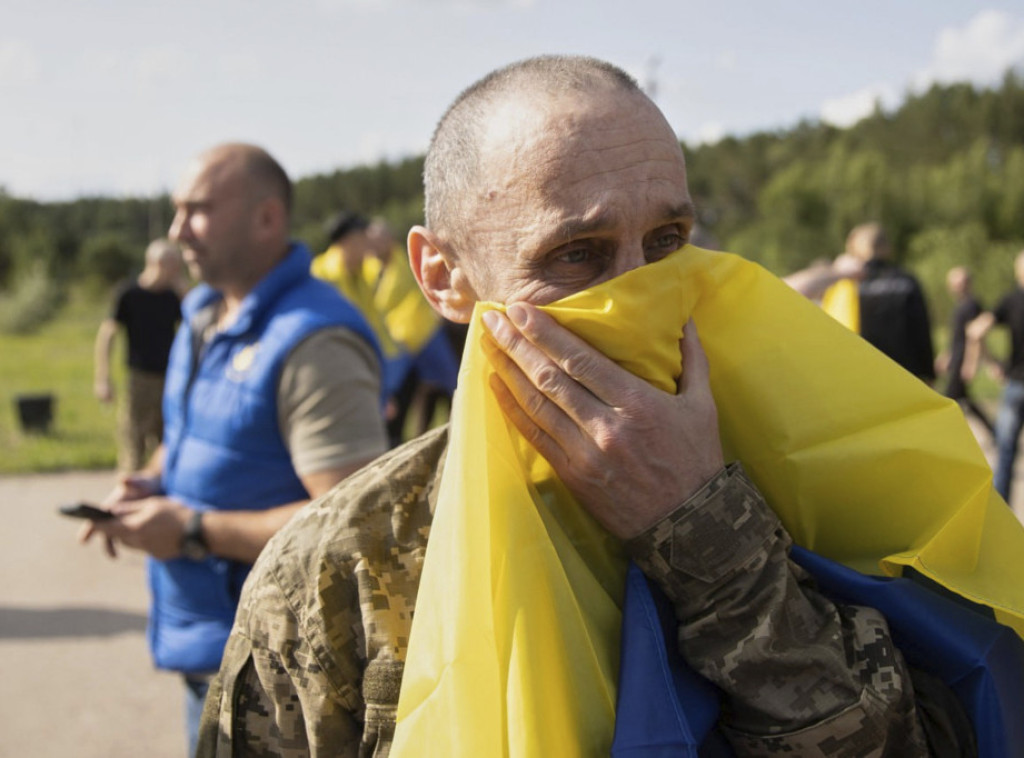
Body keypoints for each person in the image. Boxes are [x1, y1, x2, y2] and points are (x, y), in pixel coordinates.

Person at [198, 59, 974, 756]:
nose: (639, 291)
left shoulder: (811, 472)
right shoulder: (343, 569)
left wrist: (708, 536)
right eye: (577, 255)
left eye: (668, 241)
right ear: (443, 278)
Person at [77, 143, 389, 757]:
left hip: (278, 672)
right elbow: (187, 431)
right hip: (210, 642)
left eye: (197, 210)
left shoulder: (314, 341)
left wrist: (193, 529)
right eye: (176, 211)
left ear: (266, 218)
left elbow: (350, 525)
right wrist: (148, 481)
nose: (176, 230)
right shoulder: (199, 312)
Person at [787, 223, 936, 382]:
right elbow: (921, 329)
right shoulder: (907, 281)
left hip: (857, 380)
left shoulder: (843, 285)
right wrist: (928, 374)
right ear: (887, 247)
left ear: (855, 250)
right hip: (905, 377)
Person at [93, 238, 185, 471]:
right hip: (140, 379)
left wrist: (183, 292)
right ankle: (128, 494)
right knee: (133, 441)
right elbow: (108, 335)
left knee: (169, 444)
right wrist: (103, 377)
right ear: (156, 263)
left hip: (171, 378)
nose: (176, 272)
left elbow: (196, 326)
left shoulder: (173, 296)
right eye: (173, 266)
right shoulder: (129, 293)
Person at [968, 249, 1024, 503]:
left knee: (1006, 451)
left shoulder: (1010, 300)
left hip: (1016, 384)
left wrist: (991, 363)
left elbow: (976, 331)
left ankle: (1002, 511)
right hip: (1015, 384)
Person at [936, 266, 994, 436]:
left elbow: (974, 338)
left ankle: (944, 435)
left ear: (968, 283)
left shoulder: (972, 305)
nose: (955, 286)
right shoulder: (960, 305)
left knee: (950, 399)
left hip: (963, 359)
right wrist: (946, 355)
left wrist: (970, 364)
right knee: (964, 400)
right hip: (956, 357)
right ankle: (994, 431)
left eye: (959, 282)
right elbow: (957, 337)